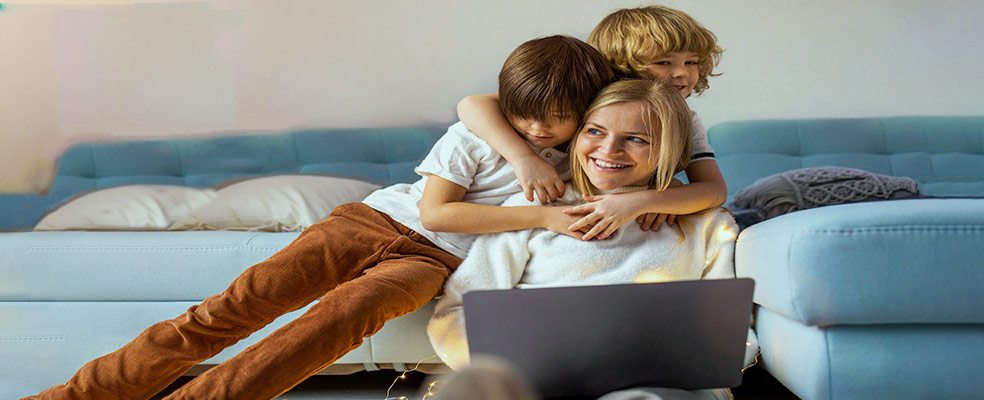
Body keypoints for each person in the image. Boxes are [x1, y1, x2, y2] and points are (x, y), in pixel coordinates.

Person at [27, 35, 618, 400]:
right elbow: (439, 209)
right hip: (371, 223)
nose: (538, 128)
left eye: (558, 117)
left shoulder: (588, 155)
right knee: (226, 313)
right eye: (526, 115)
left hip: (433, 260)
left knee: (334, 321)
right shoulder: (478, 133)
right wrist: (535, 201)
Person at [427, 79, 758, 400]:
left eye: (636, 139)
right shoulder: (532, 208)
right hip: (538, 386)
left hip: (662, 387)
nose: (608, 150)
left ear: (669, 150)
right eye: (595, 131)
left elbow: (734, 333)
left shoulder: (708, 225)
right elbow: (455, 313)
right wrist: (506, 373)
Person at [456, 5, 727, 241]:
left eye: (691, 61)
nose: (682, 72)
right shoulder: (583, 98)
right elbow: (472, 104)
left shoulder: (686, 119)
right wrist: (523, 158)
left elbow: (713, 189)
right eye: (663, 62)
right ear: (621, 64)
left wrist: (647, 199)